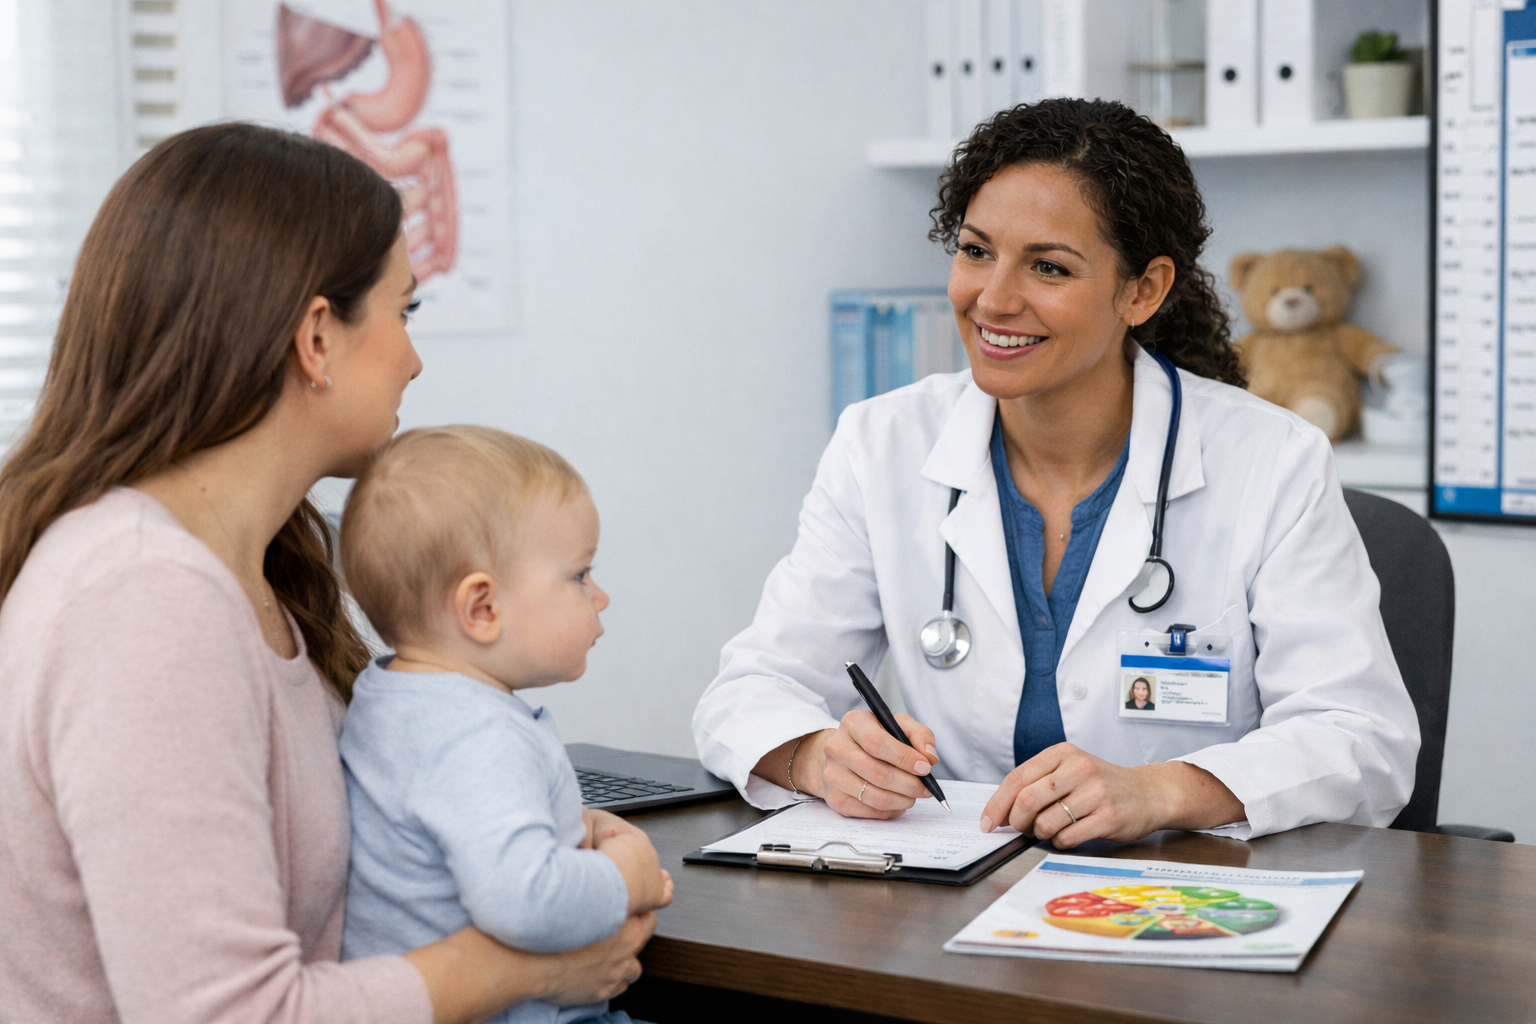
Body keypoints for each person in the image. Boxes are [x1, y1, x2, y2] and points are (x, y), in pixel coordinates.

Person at [0, 124, 652, 1024]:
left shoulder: (254, 567)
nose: (415, 359)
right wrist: (520, 969)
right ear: (317, 336)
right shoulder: (145, 601)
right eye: (404, 312)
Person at [693, 98, 1420, 847]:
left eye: (1048, 267)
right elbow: (750, 689)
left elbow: (1363, 739)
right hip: (952, 896)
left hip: (1176, 907)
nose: (994, 299)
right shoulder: (881, 444)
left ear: (1143, 290)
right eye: (976, 251)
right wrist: (818, 758)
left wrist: (1162, 789)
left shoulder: (1272, 462)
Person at [337, 425, 673, 1024]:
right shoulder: (476, 736)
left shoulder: (390, 696)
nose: (600, 598)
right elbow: (525, 900)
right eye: (579, 576)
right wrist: (627, 876)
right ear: (482, 609)